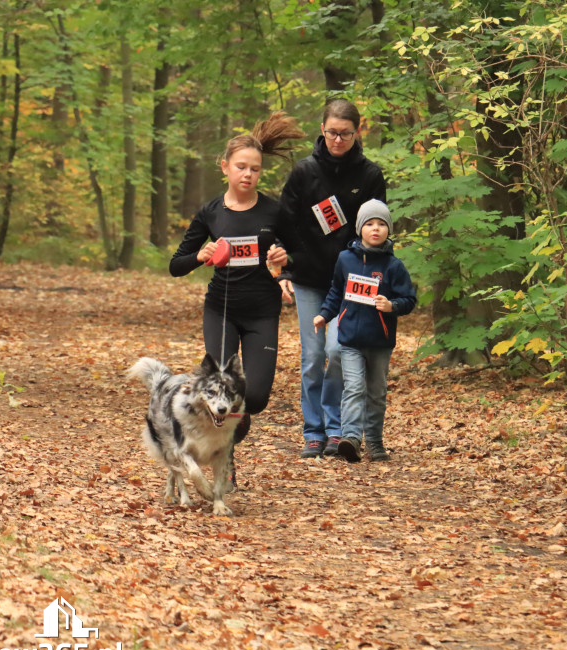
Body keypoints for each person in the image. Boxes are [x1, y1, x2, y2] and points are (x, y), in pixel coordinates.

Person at [169, 111, 306, 485]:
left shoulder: (274, 211)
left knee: (256, 398)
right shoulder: (211, 213)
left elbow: (299, 253)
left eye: (255, 169)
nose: (248, 174)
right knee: (223, 387)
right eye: (241, 167)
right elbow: (175, 265)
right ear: (225, 167)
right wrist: (200, 255)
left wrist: (286, 262)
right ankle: (220, 461)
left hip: (262, 312)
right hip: (221, 310)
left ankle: (224, 447)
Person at [278, 99, 387, 459]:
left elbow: (379, 230)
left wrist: (377, 272)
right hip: (310, 278)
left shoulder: (370, 176)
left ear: (358, 133)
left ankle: (336, 428)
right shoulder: (303, 172)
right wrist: (286, 268)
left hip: (352, 283)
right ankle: (314, 431)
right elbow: (285, 224)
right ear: (321, 130)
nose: (337, 140)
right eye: (331, 133)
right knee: (312, 357)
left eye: (345, 134)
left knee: (339, 351)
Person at [313, 199, 416, 463]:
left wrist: (391, 305)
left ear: (388, 230)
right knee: (354, 388)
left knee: (377, 392)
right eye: (369, 223)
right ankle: (350, 439)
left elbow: (409, 300)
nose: (375, 229)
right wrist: (324, 315)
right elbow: (336, 291)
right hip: (350, 339)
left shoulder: (394, 266)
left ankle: (374, 441)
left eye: (381, 224)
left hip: (380, 341)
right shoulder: (345, 259)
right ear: (360, 228)